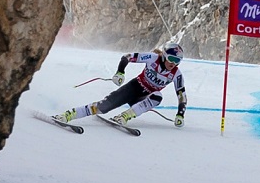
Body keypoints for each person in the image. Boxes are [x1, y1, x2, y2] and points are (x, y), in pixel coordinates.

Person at [53, 42, 187, 127]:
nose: (173, 63)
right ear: (164, 56)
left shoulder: (176, 74)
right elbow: (127, 57)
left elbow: (182, 96)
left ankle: (124, 117)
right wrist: (120, 72)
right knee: (103, 107)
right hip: (134, 88)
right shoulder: (153, 58)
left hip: (143, 99)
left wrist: (180, 114)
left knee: (158, 96)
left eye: (178, 61)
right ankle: (68, 115)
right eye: (172, 59)